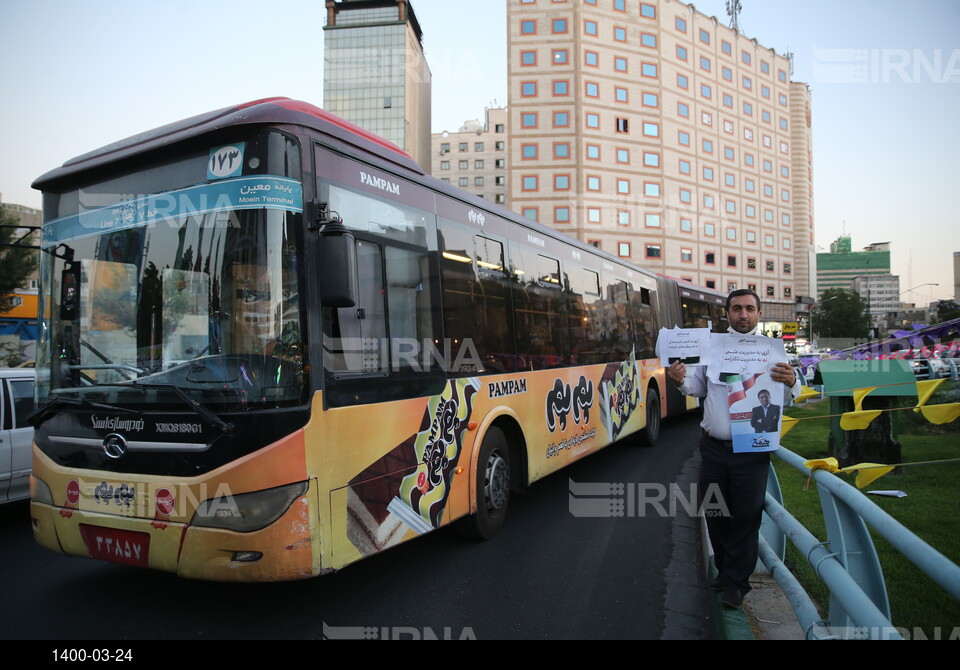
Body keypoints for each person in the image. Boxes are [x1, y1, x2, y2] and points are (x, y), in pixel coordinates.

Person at [666, 289, 800, 609]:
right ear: (726, 313)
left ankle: (737, 584)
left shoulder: (773, 351)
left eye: (749, 309)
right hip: (712, 449)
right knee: (715, 512)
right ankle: (725, 572)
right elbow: (696, 387)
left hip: (752, 449)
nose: (743, 314)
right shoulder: (711, 348)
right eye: (737, 308)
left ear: (759, 313)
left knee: (745, 517)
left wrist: (793, 382)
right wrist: (678, 381)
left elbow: (790, 398)